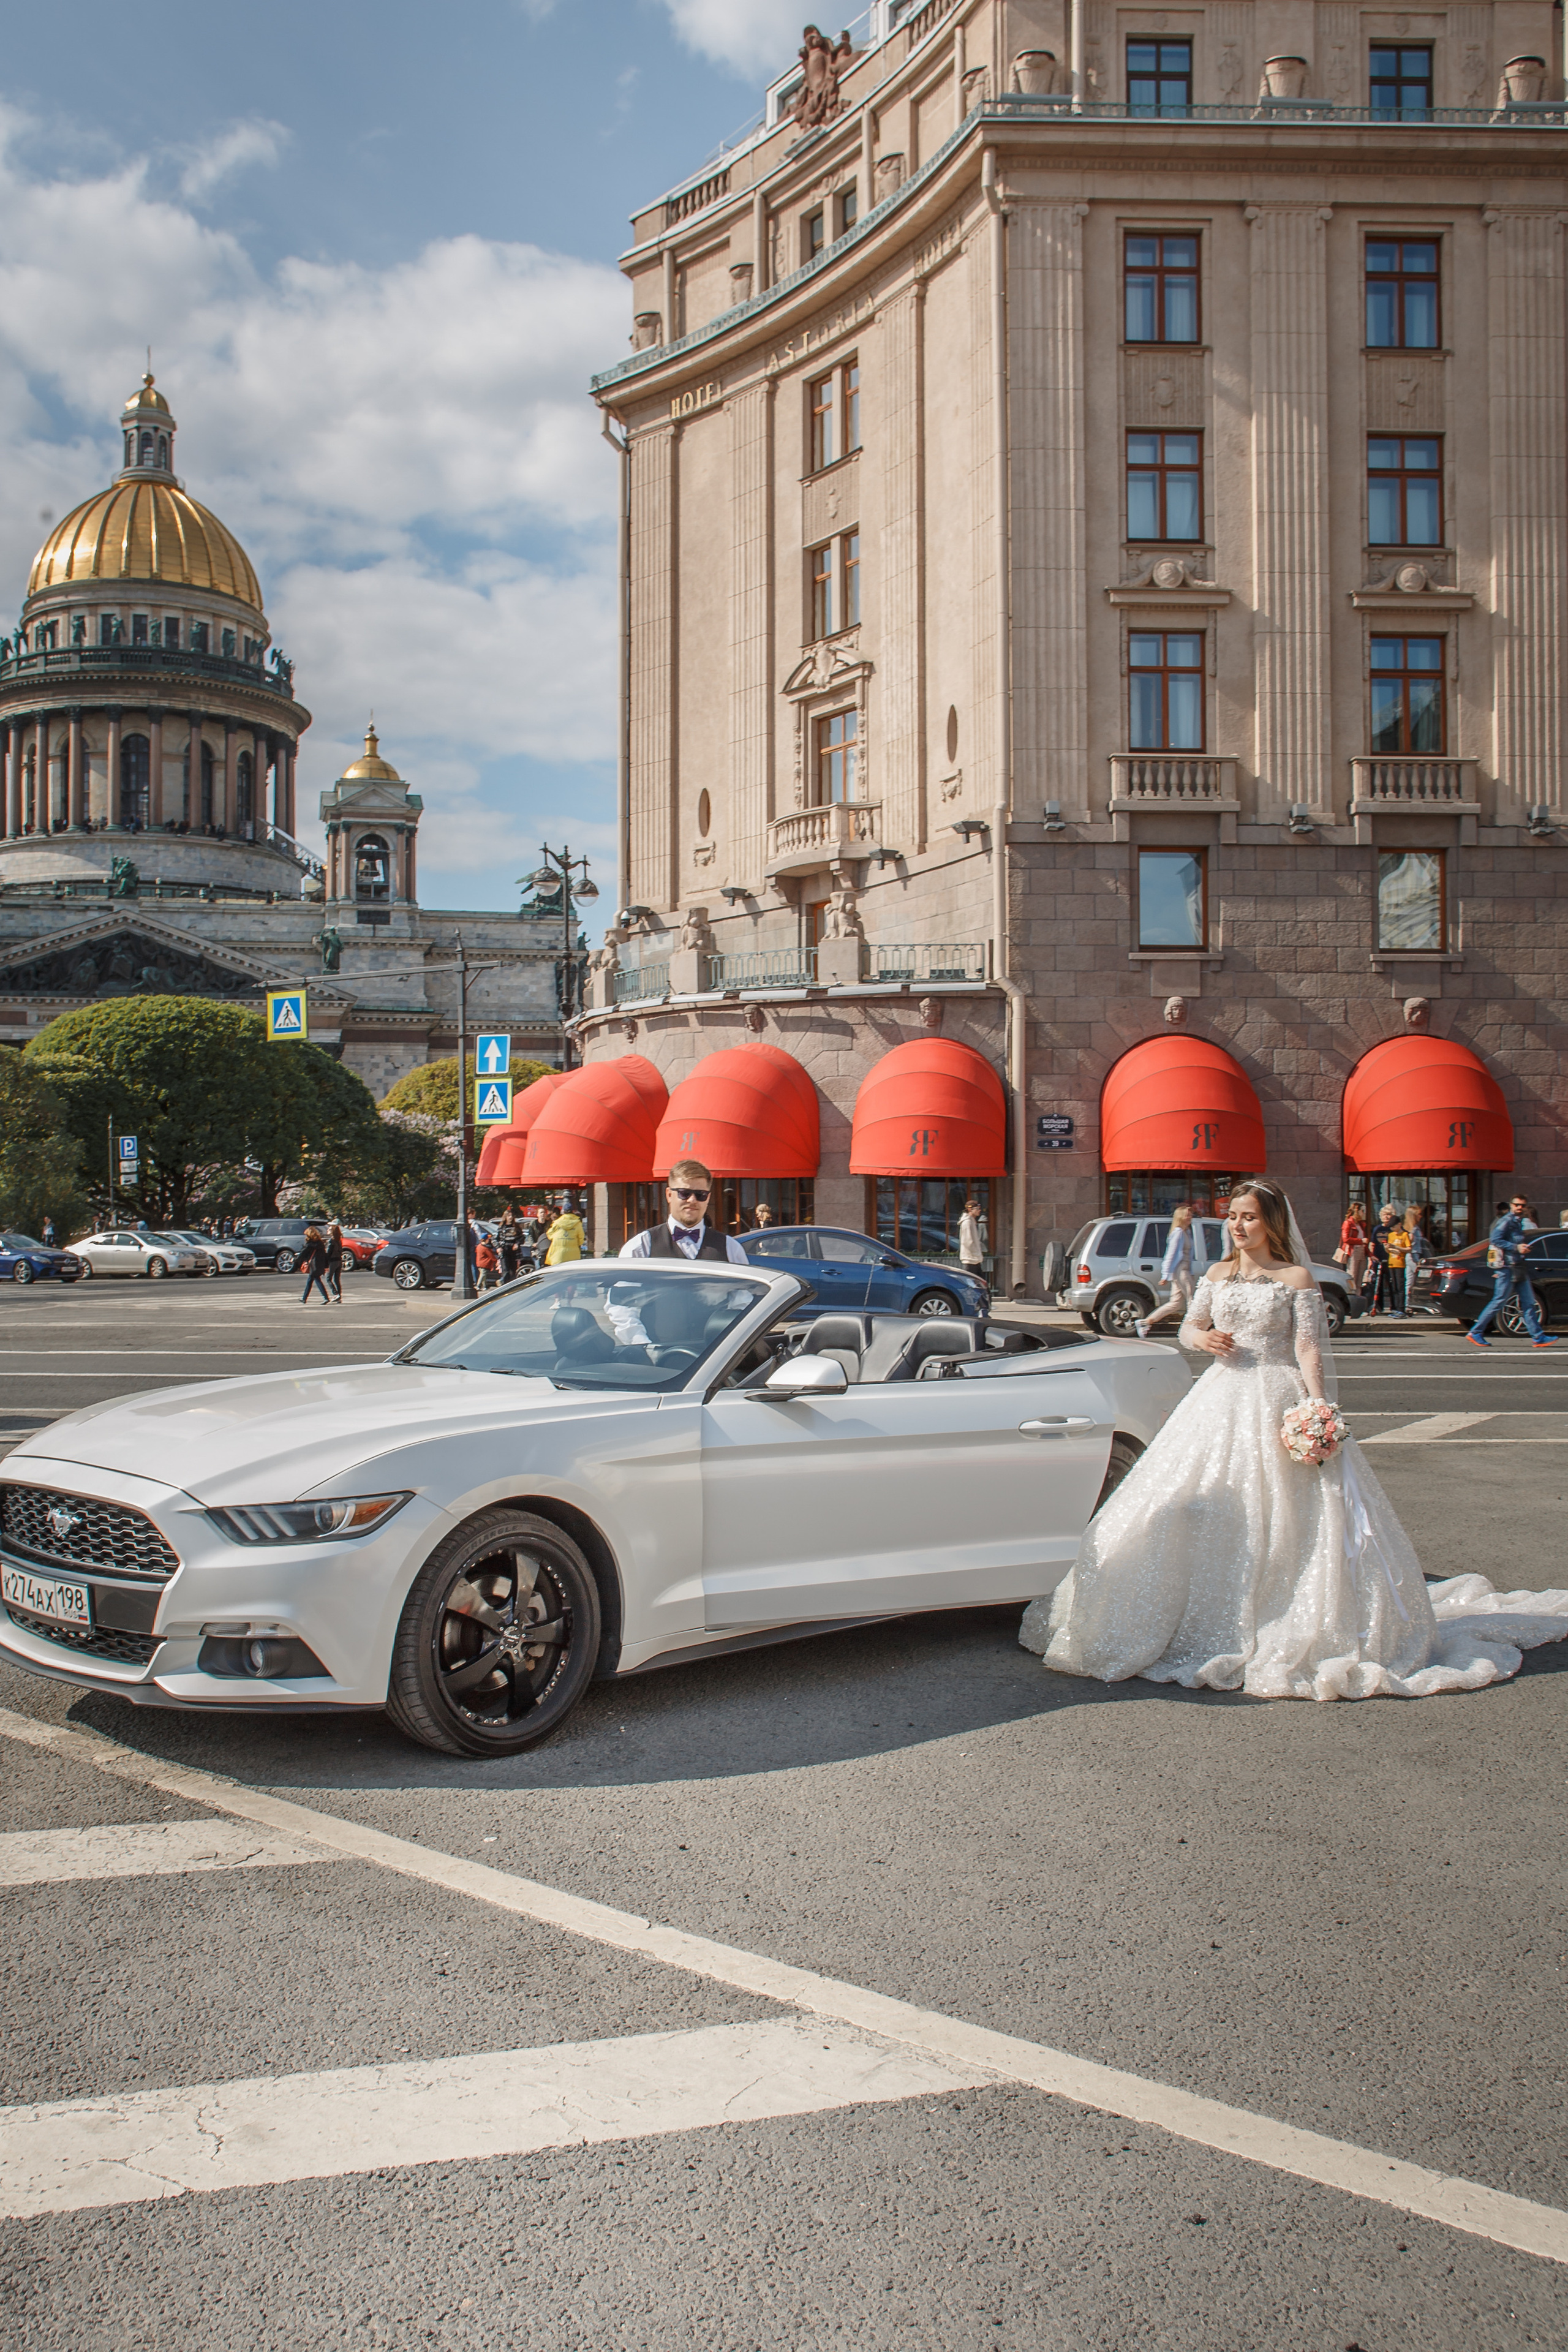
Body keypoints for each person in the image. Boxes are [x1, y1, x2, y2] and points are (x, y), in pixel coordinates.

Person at [1020, 1177, 1568, 1699]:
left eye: (1248, 1218)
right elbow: (1188, 1326)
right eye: (1232, 1217)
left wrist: (1317, 1408)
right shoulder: (1216, 1274)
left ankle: (1289, 1612)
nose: (1237, 1226)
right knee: (1192, 1498)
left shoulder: (1297, 1280)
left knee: (1294, 1512)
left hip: (1277, 1392)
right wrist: (1202, 1337)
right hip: (1221, 1395)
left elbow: (1308, 1348)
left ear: (1270, 1222)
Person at [1467, 1195, 1559, 1349]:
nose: (1519, 1208)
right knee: (1499, 1301)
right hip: (1507, 1268)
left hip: (1518, 1266)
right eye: (1517, 1205)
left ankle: (1538, 1337)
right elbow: (1495, 1240)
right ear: (1511, 1206)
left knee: (1529, 1302)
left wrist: (1522, 1249)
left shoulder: (1517, 1223)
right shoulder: (1507, 1221)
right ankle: (1476, 1332)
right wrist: (1516, 1247)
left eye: (1522, 1206)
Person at [618, 1159, 748, 1264]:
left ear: (708, 1198)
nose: (692, 1200)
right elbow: (622, 1295)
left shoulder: (730, 1248)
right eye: (684, 1193)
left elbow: (744, 1295)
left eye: (700, 1194)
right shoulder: (641, 1247)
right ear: (669, 1195)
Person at [1136, 1204, 1194, 1339]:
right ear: (1181, 1217)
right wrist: (1166, 1274)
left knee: (1175, 1303)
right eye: (1188, 1215)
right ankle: (1192, 1328)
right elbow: (1171, 1254)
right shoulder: (1179, 1233)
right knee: (1192, 1299)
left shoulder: (1187, 1232)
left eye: (1191, 1215)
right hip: (1180, 1269)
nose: (1190, 1217)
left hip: (1184, 1269)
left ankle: (1145, 1322)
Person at [958, 1196, 990, 1303]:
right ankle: (977, 1303)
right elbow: (968, 1242)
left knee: (980, 1283)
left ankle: (983, 1303)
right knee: (972, 1284)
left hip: (974, 1259)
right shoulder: (967, 1222)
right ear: (971, 1210)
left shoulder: (971, 1221)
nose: (980, 1211)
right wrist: (976, 1254)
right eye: (977, 1209)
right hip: (971, 1259)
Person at [1381, 1206, 1411, 1317]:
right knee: (1393, 1287)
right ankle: (1395, 1308)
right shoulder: (1391, 1235)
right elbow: (1389, 1250)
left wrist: (1397, 1248)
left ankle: (1401, 1309)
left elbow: (1409, 1249)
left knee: (1400, 1286)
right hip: (1391, 1262)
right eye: (1391, 1228)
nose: (1392, 1229)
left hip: (1400, 1263)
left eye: (1394, 1227)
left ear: (1399, 1224)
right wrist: (1387, 1248)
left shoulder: (1404, 1235)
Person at [1402, 1206, 1432, 1315]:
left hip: (1412, 1257)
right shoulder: (1413, 1230)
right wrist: (1416, 1261)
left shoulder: (1413, 1229)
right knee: (1420, 1280)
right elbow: (1411, 1247)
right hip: (1413, 1257)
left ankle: (1407, 1305)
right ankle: (1413, 1304)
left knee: (1410, 1282)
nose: (1421, 1216)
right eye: (1419, 1214)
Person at [1338, 1203, 1368, 1297]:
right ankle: (1350, 1297)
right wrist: (1361, 1241)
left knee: (1360, 1278)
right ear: (1357, 1211)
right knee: (1352, 1276)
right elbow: (1346, 1239)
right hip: (1353, 1251)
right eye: (1362, 1211)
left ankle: (1358, 1298)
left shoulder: (1361, 1224)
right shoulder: (1348, 1223)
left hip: (1362, 1251)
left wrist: (1371, 1255)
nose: (1364, 1213)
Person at [298, 1223, 332, 1306]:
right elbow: (325, 1255)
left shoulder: (310, 1244)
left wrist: (296, 1260)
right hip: (319, 1264)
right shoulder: (320, 1243)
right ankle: (304, 1298)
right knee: (310, 1281)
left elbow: (303, 1254)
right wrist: (326, 1266)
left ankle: (325, 1298)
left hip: (314, 1265)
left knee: (316, 1281)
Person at [545, 1199, 586, 1265]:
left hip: (558, 1255)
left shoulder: (557, 1222)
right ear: (573, 1211)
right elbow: (581, 1238)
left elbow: (549, 1233)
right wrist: (575, 1243)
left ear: (563, 1211)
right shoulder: (577, 1223)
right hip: (573, 1255)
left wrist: (555, 1238)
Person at [324, 1220, 345, 1303]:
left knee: (328, 1279)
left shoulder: (331, 1241)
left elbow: (328, 1253)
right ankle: (339, 1297)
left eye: (329, 1229)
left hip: (333, 1261)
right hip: (339, 1261)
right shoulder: (339, 1240)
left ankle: (335, 1294)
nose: (328, 1230)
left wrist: (326, 1264)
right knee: (337, 1280)